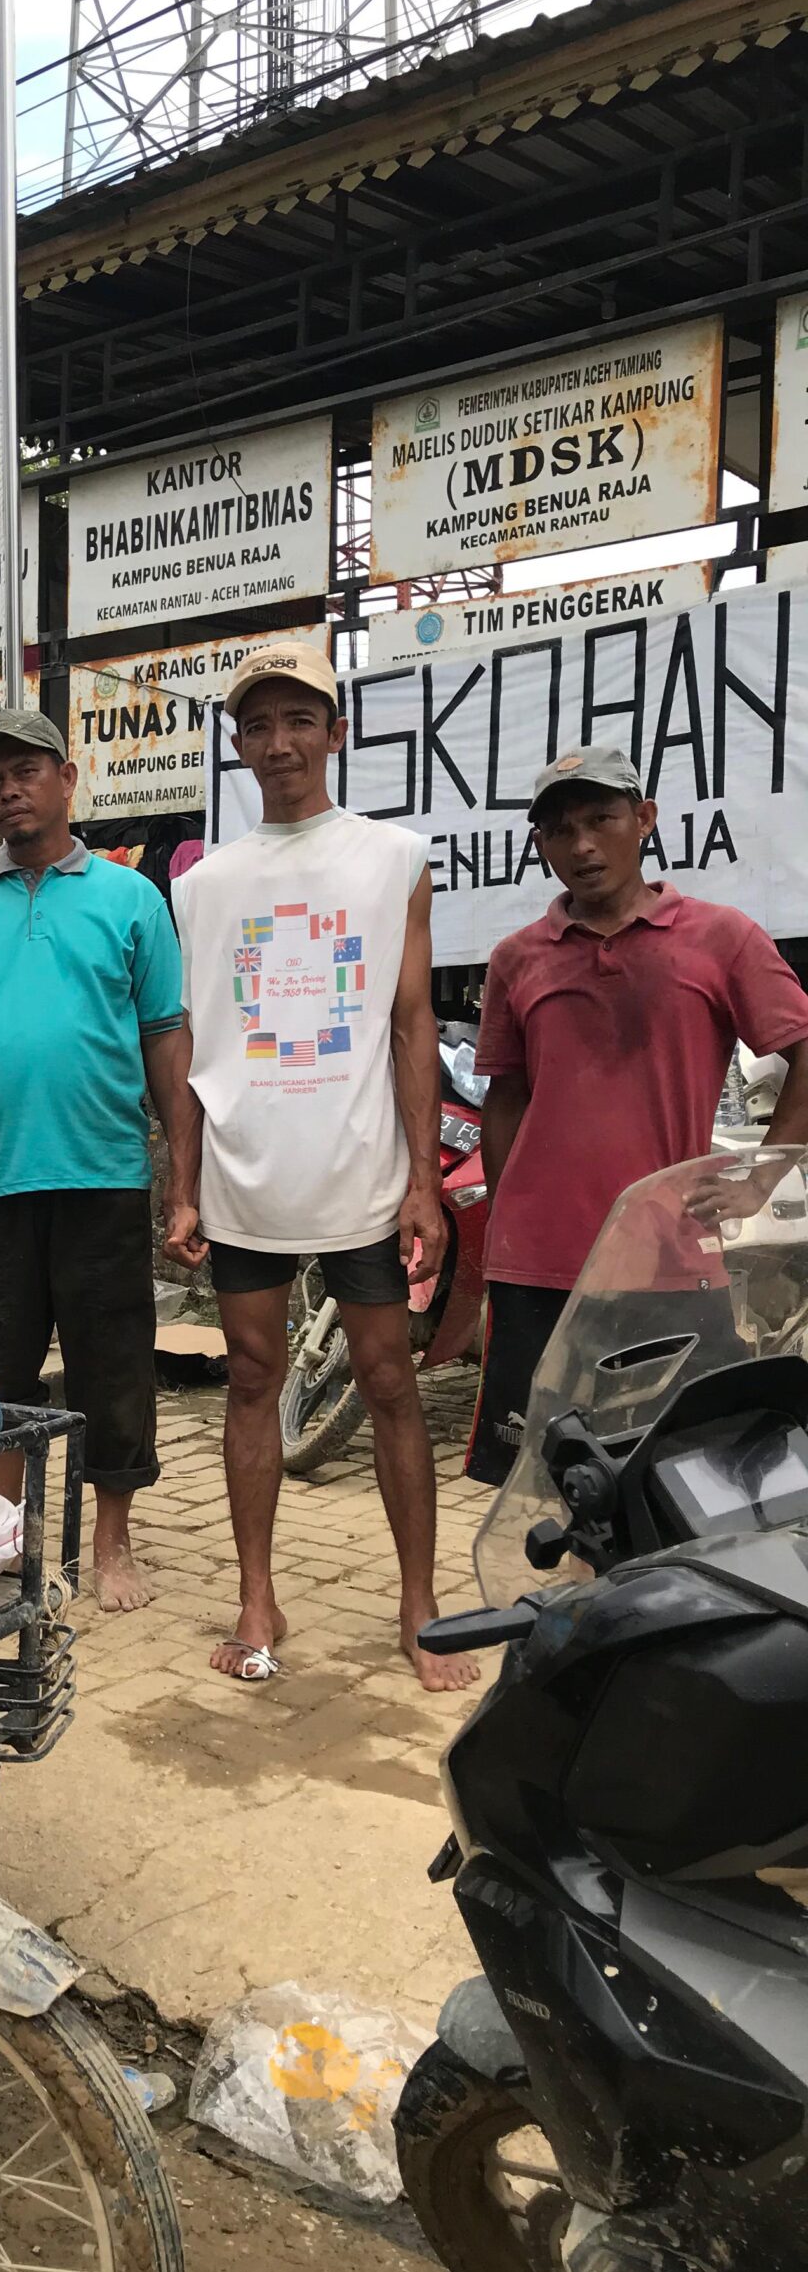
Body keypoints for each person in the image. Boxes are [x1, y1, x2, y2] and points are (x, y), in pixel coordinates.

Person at [166, 642, 474, 1695]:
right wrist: (186, 1184)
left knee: (390, 1380)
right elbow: (199, 1042)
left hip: (364, 1177)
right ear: (240, 744)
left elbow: (410, 1018)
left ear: (336, 732)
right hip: (250, 1179)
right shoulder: (204, 887)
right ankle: (258, 1596)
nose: (282, 741)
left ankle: (419, 1602)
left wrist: (426, 1181)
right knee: (250, 1380)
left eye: (302, 718)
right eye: (260, 724)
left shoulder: (392, 861)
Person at [0, 708, 183, 1613]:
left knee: (115, 1364)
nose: (9, 791)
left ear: (68, 779)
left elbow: (166, 1037)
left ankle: (112, 1542)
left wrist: (183, 1167)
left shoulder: (130, 899)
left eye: (26, 771)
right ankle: (3, 1547)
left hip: (103, 1172)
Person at [465, 746, 808, 1485]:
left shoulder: (722, 938)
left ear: (644, 820)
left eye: (601, 819)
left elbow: (802, 1050)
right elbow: (507, 1094)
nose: (582, 845)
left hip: (668, 1258)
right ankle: (572, 1605)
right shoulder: (517, 958)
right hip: (540, 1261)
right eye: (559, 830)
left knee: (692, 1472)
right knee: (551, 1481)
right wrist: (503, 1216)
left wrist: (758, 1180)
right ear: (541, 846)